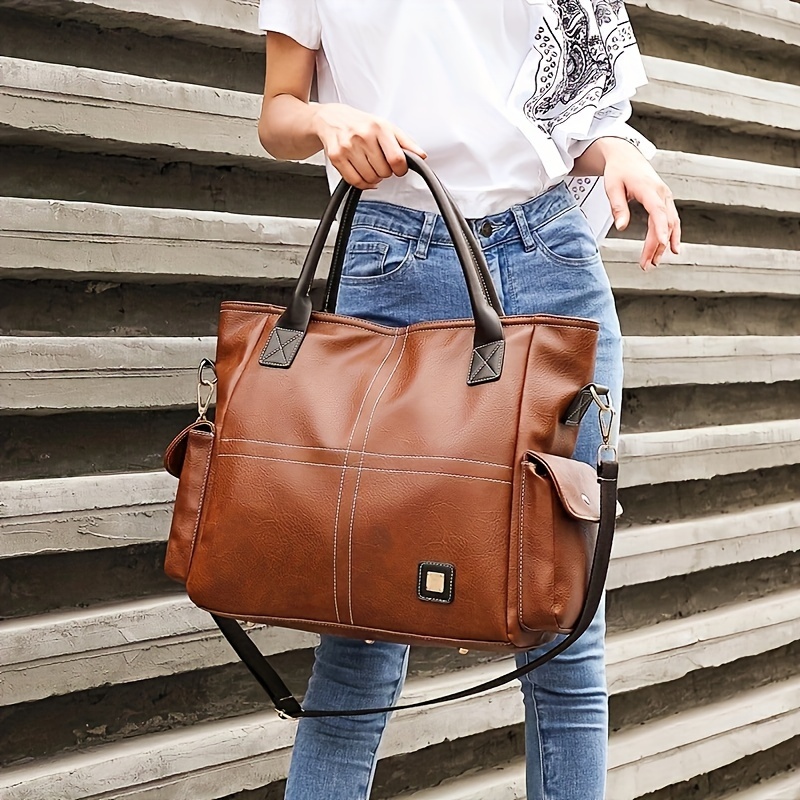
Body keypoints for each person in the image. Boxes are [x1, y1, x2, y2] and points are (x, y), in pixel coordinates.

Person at [257, 2, 681, 798]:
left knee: (563, 617)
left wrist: (617, 152)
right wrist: (324, 121)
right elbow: (276, 112)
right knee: (361, 619)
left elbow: (562, 115)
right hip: (394, 255)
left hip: (549, 252)